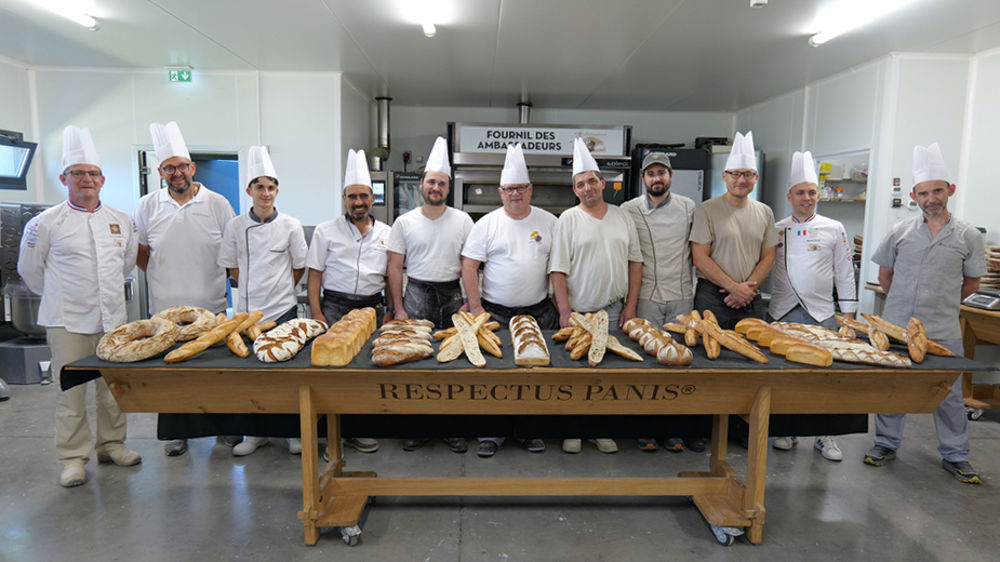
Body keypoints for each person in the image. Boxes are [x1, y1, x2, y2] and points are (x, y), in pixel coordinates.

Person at [18, 126, 141, 487]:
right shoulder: (44, 224)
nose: (86, 179)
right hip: (67, 322)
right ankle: (73, 458)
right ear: (64, 178)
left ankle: (113, 444)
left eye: (92, 173)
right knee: (70, 393)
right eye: (78, 173)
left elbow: (127, 265)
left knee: (113, 389)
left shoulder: (121, 220)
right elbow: (31, 271)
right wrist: (60, 297)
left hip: (113, 321)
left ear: (102, 179)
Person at [864, 143, 985, 484]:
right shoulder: (899, 232)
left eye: (937, 191)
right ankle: (885, 443)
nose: (931, 198)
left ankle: (956, 455)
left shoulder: (969, 237)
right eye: (923, 193)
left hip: (944, 328)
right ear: (914, 196)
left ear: (951, 191)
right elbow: (885, 276)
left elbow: (972, 283)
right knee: (894, 388)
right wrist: (902, 303)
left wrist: (940, 302)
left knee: (948, 393)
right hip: (898, 326)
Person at [134, 121, 236, 457]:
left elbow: (232, 250)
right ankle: (178, 434)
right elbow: (142, 252)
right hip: (165, 311)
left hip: (211, 305)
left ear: (192, 167)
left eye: (181, 166)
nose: (177, 173)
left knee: (217, 374)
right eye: (169, 168)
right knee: (173, 377)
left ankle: (225, 431)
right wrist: (165, 277)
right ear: (160, 171)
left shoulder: (218, 203)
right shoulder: (147, 206)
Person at [461, 143, 556, 458]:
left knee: (536, 375)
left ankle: (530, 432)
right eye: (509, 189)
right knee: (495, 374)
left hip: (538, 312)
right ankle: (492, 432)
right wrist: (476, 308)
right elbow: (469, 267)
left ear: (531, 189)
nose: (515, 193)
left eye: (520, 188)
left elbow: (558, 268)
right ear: (500, 192)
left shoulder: (549, 222)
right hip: (496, 312)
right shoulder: (486, 224)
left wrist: (561, 306)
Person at [550, 137, 643, 455]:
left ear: (603, 183)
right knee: (574, 376)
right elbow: (557, 271)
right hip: (579, 311)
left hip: (614, 311)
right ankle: (574, 431)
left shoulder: (623, 217)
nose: (587, 187)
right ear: (574, 190)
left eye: (592, 181)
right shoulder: (568, 220)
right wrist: (564, 312)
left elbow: (635, 263)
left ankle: (601, 430)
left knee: (607, 376)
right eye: (580, 184)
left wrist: (630, 307)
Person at [768, 150, 859, 462]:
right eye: (800, 193)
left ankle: (825, 436)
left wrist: (848, 315)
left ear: (818, 195)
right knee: (785, 376)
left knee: (824, 378)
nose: (806, 198)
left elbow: (845, 272)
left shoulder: (834, 228)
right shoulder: (776, 228)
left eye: (811, 192)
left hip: (821, 314)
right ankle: (787, 430)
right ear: (789, 196)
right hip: (782, 311)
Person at [218, 145, 308, 456]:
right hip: (247, 313)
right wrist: (247, 293)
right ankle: (254, 433)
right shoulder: (235, 225)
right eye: (260, 187)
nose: (266, 193)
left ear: (277, 191)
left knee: (287, 376)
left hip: (283, 310)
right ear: (249, 190)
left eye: (270, 187)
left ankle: (291, 433)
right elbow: (232, 265)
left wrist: (281, 291)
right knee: (251, 376)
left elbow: (299, 266)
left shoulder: (291, 225)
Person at [387, 136, 473, 453]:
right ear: (422, 184)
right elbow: (395, 268)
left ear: (448, 189)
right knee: (415, 366)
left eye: (442, 183)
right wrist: (398, 308)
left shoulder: (463, 220)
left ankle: (453, 429)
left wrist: (469, 302)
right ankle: (417, 428)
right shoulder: (404, 222)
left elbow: (470, 265)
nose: (436, 188)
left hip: (452, 297)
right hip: (416, 295)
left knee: (454, 366)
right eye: (431, 182)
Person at [306, 148, 390, 455]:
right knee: (333, 376)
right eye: (352, 196)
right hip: (335, 307)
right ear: (344, 198)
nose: (358, 202)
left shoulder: (387, 233)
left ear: (372, 198)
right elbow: (314, 275)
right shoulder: (325, 231)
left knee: (366, 372)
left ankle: (361, 430)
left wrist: (391, 311)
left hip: (372, 307)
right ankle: (334, 436)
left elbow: (389, 279)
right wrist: (317, 312)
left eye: (363, 196)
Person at [622, 150, 697, 453]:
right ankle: (647, 430)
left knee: (681, 365)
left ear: (670, 177)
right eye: (651, 174)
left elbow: (700, 249)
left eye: (661, 173)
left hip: (681, 295)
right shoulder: (628, 209)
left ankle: (678, 430)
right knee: (648, 367)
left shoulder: (688, 207)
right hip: (646, 298)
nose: (657, 178)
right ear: (643, 178)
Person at [689, 131, 777, 330]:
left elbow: (769, 257)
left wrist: (745, 291)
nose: (741, 180)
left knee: (753, 353)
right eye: (735, 174)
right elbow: (700, 258)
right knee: (710, 355)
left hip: (750, 296)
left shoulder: (765, 212)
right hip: (713, 296)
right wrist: (734, 288)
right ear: (724, 176)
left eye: (747, 174)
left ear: (756, 178)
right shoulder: (706, 210)